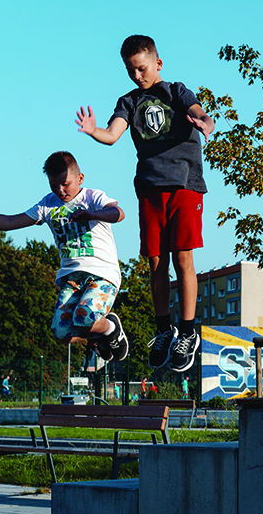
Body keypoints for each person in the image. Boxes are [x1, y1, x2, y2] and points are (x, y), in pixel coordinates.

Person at [75, 34, 215, 373]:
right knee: (155, 261)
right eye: (130, 71)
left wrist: (205, 122)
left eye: (142, 69)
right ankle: (164, 329)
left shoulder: (175, 91)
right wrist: (95, 131)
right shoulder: (128, 101)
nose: (138, 76)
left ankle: (187, 331)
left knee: (183, 256)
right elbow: (113, 134)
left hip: (184, 185)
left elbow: (198, 112)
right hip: (150, 188)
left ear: (157, 63)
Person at [0, 151, 129, 361]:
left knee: (84, 317)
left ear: (80, 178)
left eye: (65, 184)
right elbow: (11, 222)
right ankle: (99, 333)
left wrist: (94, 214)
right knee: (61, 332)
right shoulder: (47, 204)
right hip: (72, 278)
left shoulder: (93, 197)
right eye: (54, 185)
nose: (60, 191)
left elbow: (118, 213)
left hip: (102, 273)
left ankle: (110, 328)